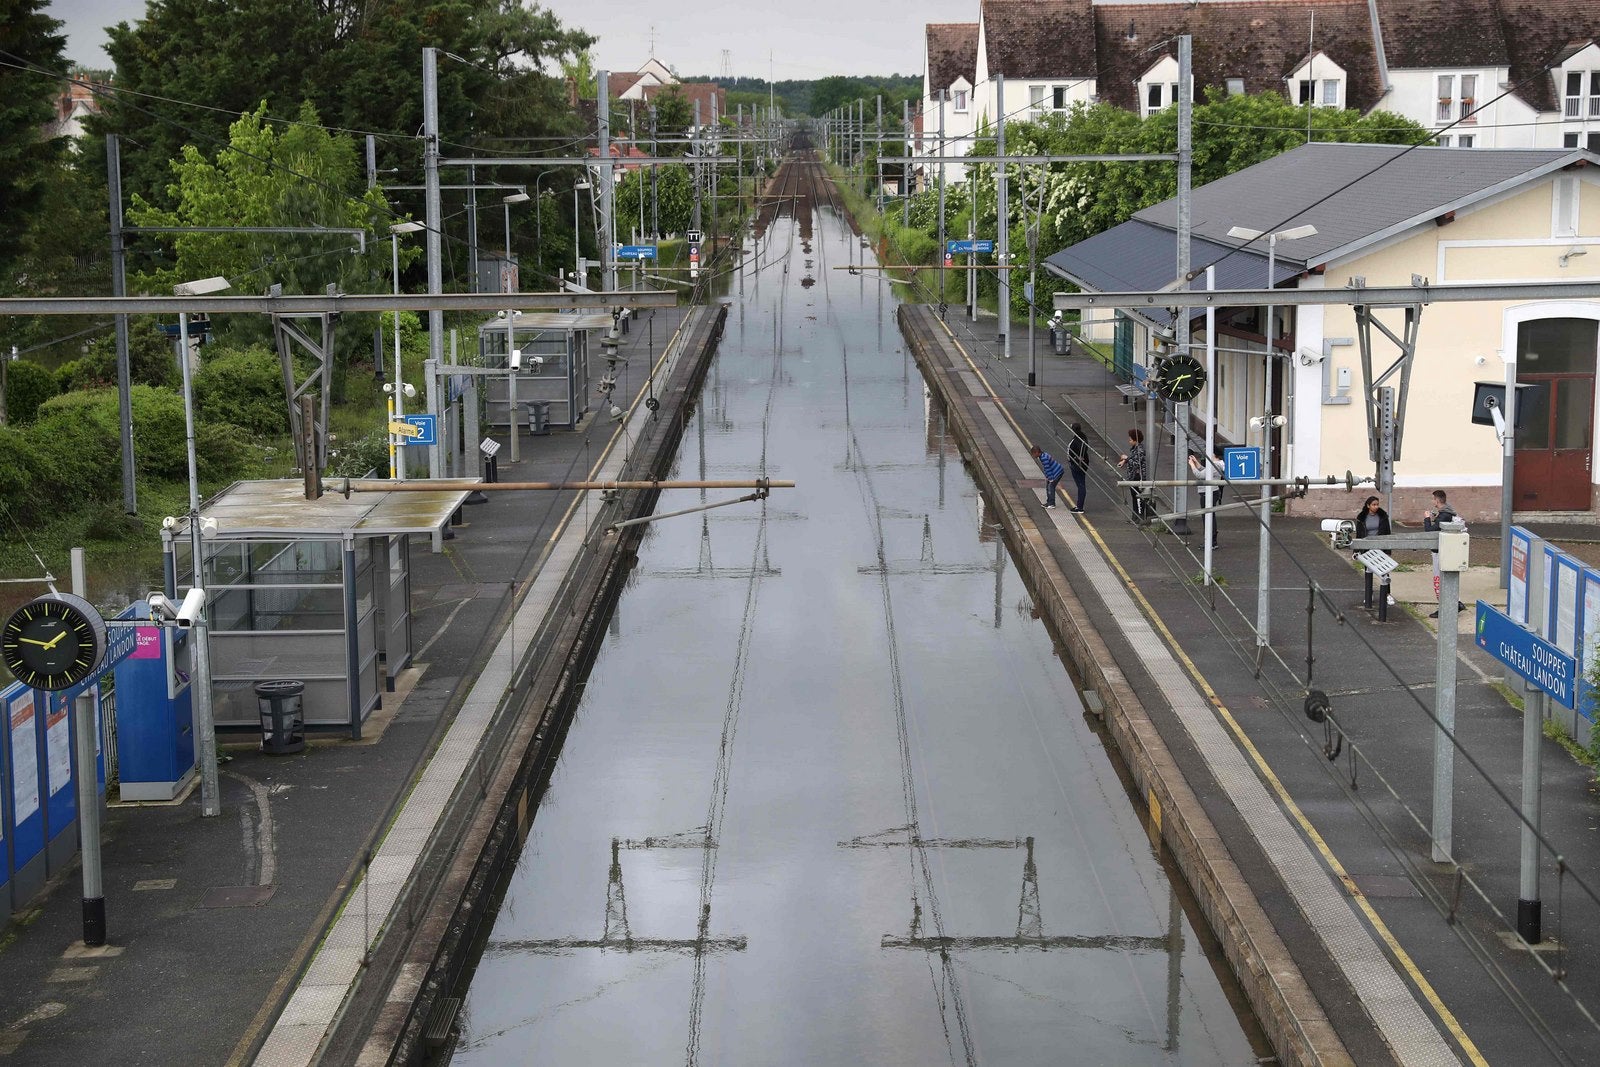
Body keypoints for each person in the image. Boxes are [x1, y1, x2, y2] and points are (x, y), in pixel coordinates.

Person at [1423, 489, 1466, 618]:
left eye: (1433, 499)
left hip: (1440, 552)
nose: (1432, 502)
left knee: (1439, 580)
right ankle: (1456, 603)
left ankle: (1445, 606)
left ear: (1437, 500)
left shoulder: (1444, 516)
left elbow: (1430, 532)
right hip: (1447, 551)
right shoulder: (1448, 513)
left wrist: (1426, 519)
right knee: (1447, 578)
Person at [1354, 495, 1395, 607]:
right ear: (1368, 506)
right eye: (1373, 505)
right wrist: (1356, 550)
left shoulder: (1383, 517)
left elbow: (1387, 533)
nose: (1376, 507)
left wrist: (1388, 550)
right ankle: (1369, 594)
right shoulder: (1362, 518)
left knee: (1384, 571)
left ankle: (1387, 594)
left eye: (1377, 504)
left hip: (1380, 546)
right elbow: (1359, 534)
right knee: (1368, 571)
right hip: (1367, 547)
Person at [1188, 443, 1225, 548]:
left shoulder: (1215, 465)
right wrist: (1196, 463)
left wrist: (1192, 465)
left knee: (1207, 517)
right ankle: (1211, 540)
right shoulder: (1216, 465)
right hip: (1211, 492)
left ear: (1213, 454)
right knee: (1210, 516)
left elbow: (1200, 475)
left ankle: (1211, 541)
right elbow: (1205, 471)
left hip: (1209, 493)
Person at [1118, 428, 1148, 524]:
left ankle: (1139, 517)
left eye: (1130, 439)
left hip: (1138, 477)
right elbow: (1132, 459)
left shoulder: (1140, 450)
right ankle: (1135, 517)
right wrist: (1124, 461)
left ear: (1136, 440)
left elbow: (1136, 463)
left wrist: (1126, 458)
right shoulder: (1135, 449)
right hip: (1133, 477)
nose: (1129, 441)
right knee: (1134, 497)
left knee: (1138, 497)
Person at [1030, 444, 1064, 509]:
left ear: (1037, 452)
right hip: (1056, 471)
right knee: (1048, 486)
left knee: (1051, 487)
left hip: (1057, 472)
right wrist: (1048, 477)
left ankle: (1052, 504)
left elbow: (1048, 469)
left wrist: (1050, 479)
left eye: (1033, 454)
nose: (1033, 456)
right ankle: (1049, 502)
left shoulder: (1043, 458)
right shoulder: (1043, 455)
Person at [1066, 424, 1089, 513]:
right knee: (1080, 485)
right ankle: (1079, 506)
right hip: (1080, 464)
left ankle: (1080, 507)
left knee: (1081, 485)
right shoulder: (1082, 438)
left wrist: (1077, 458)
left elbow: (1079, 451)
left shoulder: (1077, 440)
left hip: (1077, 465)